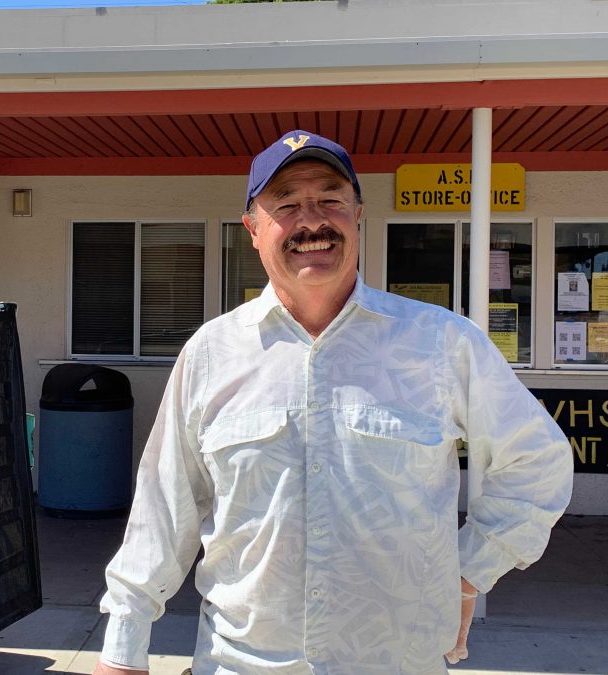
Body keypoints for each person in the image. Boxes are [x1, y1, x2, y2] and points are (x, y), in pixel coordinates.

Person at [93, 130, 573, 674]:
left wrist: (466, 575)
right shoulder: (211, 354)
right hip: (242, 665)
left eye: (330, 200)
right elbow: (163, 506)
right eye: (288, 204)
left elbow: (538, 460)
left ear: (358, 216)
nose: (311, 221)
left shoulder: (440, 344)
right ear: (252, 228)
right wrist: (124, 647)